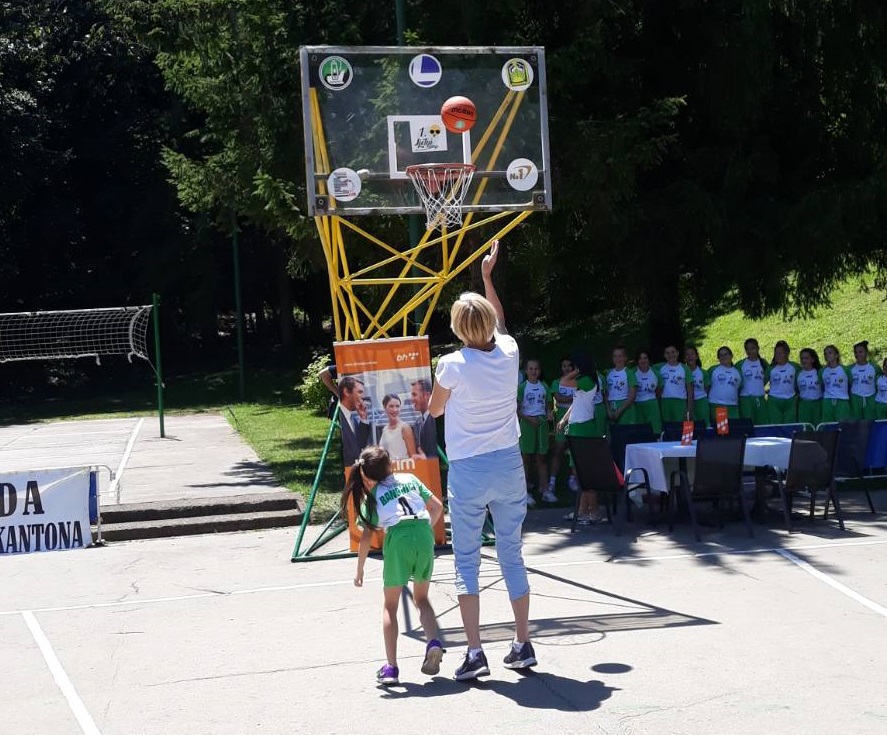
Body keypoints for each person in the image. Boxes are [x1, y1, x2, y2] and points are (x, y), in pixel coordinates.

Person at [428, 240, 536, 681]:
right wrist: (488, 276)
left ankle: (475, 652)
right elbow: (502, 324)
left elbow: (435, 410)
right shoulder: (509, 352)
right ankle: (522, 643)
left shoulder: (452, 364)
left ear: (458, 328)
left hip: (470, 468)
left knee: (467, 560)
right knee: (512, 553)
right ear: (490, 322)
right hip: (509, 463)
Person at [345, 446, 444, 686]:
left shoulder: (374, 494)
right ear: (390, 464)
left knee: (390, 606)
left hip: (398, 539)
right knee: (422, 599)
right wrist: (423, 532)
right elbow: (437, 507)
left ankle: (391, 667)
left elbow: (366, 536)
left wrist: (360, 569)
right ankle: (433, 641)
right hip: (423, 534)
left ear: (367, 475)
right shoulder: (409, 478)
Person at [556, 363, 606, 525]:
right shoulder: (582, 381)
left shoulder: (588, 380)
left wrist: (577, 370)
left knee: (585, 473)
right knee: (578, 473)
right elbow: (576, 402)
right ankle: (582, 510)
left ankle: (594, 511)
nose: (572, 370)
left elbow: (563, 382)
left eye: (575, 366)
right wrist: (564, 419)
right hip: (576, 428)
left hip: (584, 428)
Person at [517, 358, 556, 506]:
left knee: (542, 457)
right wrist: (528, 419)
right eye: (531, 369)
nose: (533, 371)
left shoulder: (544, 386)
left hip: (541, 423)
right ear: (526, 371)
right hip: (527, 424)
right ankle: (525, 492)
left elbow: (548, 406)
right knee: (526, 458)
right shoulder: (522, 387)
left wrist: (549, 413)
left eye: (536, 369)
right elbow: (516, 409)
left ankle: (545, 490)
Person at [548, 356, 580, 495]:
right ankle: (552, 481)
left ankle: (573, 479)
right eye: (564, 366)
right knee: (558, 450)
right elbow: (558, 398)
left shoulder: (578, 381)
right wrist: (575, 398)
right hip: (561, 419)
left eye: (569, 366)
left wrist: (572, 399)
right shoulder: (557, 382)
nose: (566, 368)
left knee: (574, 450)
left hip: (575, 419)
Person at [656, 345, 694, 424]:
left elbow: (690, 392)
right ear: (664, 355)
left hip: (680, 402)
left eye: (673, 352)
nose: (670, 355)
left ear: (677, 353)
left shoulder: (685, 368)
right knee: (667, 427)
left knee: (680, 427)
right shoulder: (659, 368)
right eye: (667, 353)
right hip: (665, 402)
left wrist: (689, 409)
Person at [338, 376, 372, 464]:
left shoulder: (353, 419)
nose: (363, 397)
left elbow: (360, 444)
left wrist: (363, 417)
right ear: (346, 392)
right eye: (360, 392)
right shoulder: (337, 417)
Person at [736, 338, 769, 424]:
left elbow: (767, 377)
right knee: (748, 424)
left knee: (761, 424)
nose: (750, 351)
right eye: (747, 349)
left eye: (752, 348)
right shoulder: (740, 364)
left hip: (760, 398)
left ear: (758, 348)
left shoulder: (763, 363)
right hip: (745, 399)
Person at [766, 340, 800, 424]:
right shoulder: (770, 368)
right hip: (774, 400)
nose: (778, 356)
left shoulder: (795, 367)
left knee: (789, 426)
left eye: (780, 353)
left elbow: (800, 383)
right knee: (775, 426)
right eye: (776, 353)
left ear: (787, 353)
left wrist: (797, 396)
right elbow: (761, 383)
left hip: (790, 400)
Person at [706, 346, 742, 423]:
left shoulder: (738, 372)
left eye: (726, 354)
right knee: (721, 429)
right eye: (721, 355)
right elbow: (706, 385)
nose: (723, 357)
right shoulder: (713, 370)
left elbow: (739, 389)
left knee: (734, 428)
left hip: (733, 406)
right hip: (717, 405)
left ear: (731, 355)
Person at [379, 394, 418, 460]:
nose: (395, 410)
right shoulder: (384, 429)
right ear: (385, 408)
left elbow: (413, 457)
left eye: (397, 406)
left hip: (403, 466)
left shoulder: (405, 428)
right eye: (391, 406)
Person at [606, 345, 638, 425]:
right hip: (612, 408)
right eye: (615, 356)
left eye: (620, 356)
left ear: (625, 358)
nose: (617, 359)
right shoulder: (609, 373)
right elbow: (606, 394)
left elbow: (632, 396)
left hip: (626, 409)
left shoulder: (629, 373)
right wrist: (609, 410)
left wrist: (619, 411)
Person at [632, 349, 662, 435]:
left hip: (652, 404)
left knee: (654, 431)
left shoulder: (656, 373)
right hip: (637, 405)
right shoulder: (632, 372)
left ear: (649, 360)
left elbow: (659, 391)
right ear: (637, 361)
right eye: (640, 358)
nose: (643, 360)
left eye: (645, 358)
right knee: (639, 432)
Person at [820, 345, 852, 423]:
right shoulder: (822, 371)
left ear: (836, 355)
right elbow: (822, 386)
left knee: (843, 425)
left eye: (830, 353)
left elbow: (850, 384)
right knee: (828, 425)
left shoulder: (845, 369)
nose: (827, 355)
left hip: (842, 401)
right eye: (825, 354)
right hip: (827, 402)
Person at [849, 340, 880, 420]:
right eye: (856, 352)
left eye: (860, 352)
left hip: (871, 399)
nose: (857, 354)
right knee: (856, 423)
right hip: (855, 400)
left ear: (866, 352)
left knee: (870, 423)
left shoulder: (875, 367)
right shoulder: (849, 369)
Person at [410, 378, 438, 457]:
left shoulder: (437, 418)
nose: (411, 399)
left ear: (427, 395)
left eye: (414, 395)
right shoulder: (417, 424)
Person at [796, 348, 823, 426]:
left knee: (818, 427)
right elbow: (796, 390)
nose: (803, 360)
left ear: (813, 359)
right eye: (802, 358)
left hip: (817, 405)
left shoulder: (819, 372)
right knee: (805, 428)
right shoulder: (798, 374)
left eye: (806, 358)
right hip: (804, 405)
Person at [684, 346, 709, 427]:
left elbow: (707, 389)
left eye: (692, 354)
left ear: (696, 356)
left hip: (701, 402)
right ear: (684, 358)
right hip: (687, 402)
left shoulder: (703, 372)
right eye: (687, 355)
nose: (690, 357)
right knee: (690, 425)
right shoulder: (682, 372)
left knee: (704, 425)